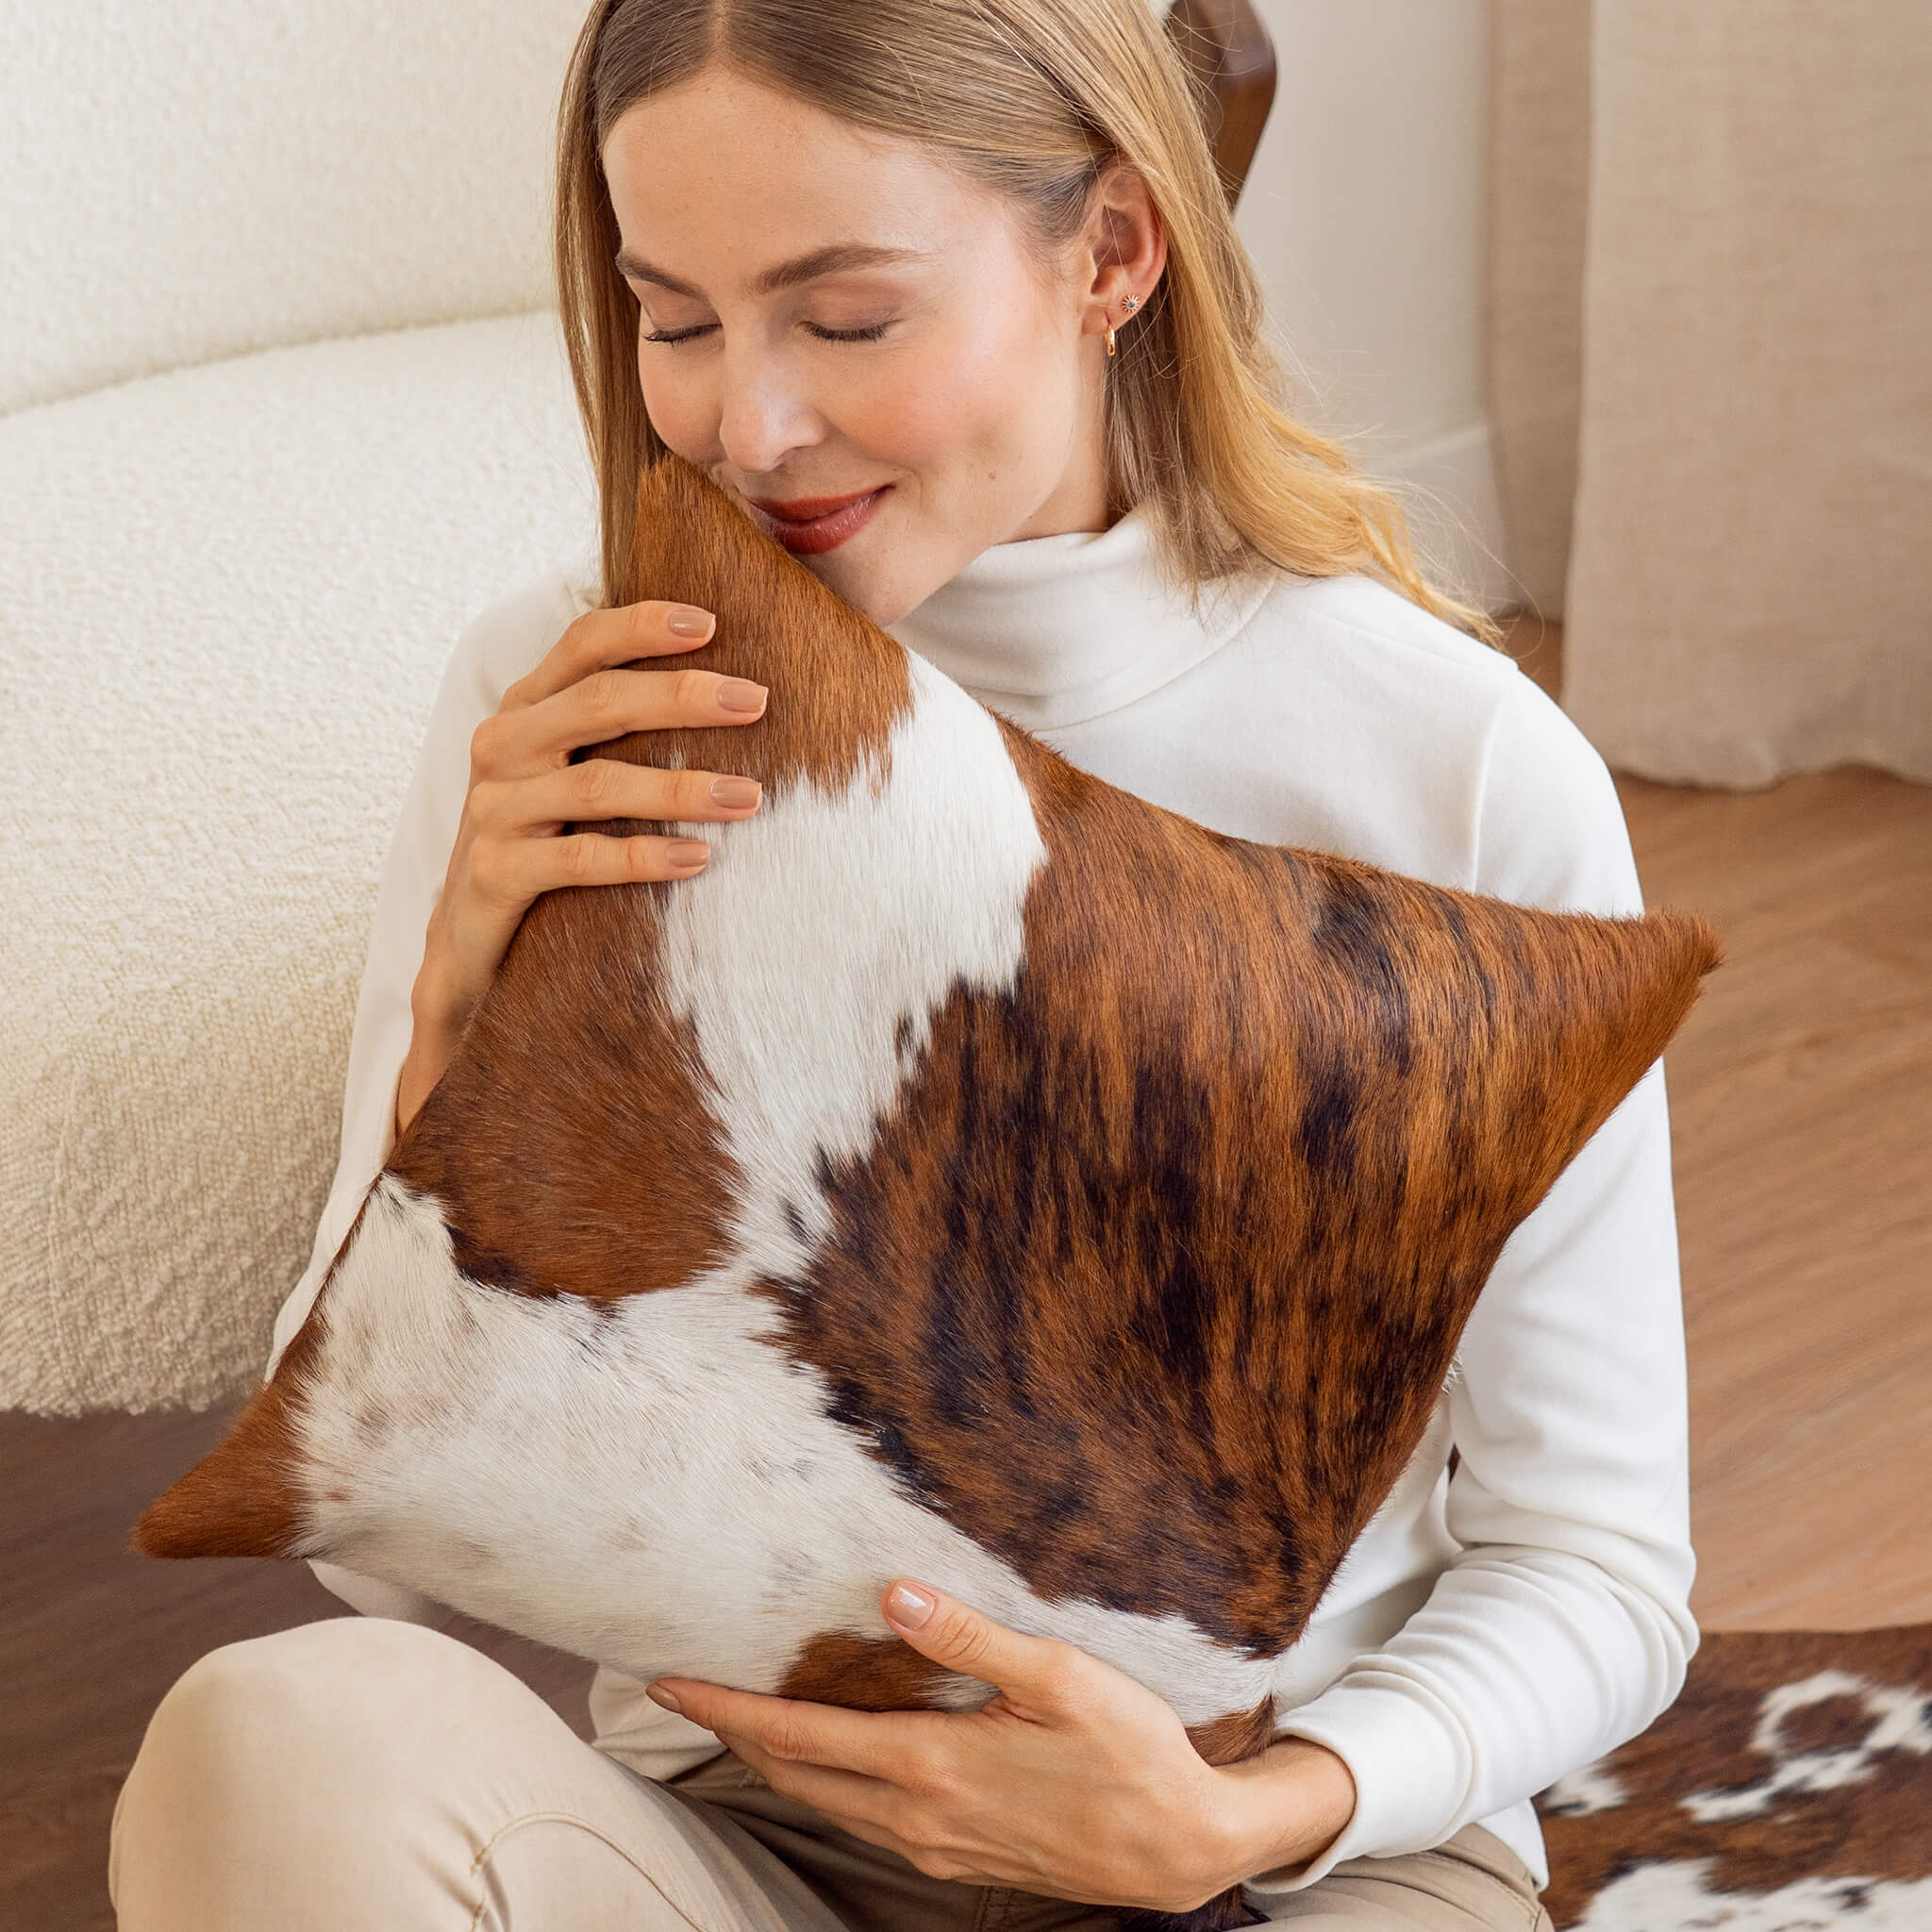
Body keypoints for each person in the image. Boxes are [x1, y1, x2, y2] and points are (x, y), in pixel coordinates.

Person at [108, 1, 1697, 1925]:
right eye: (674, 316)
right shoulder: (586, 703)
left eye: (844, 316)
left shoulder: (1446, 768)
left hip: (1283, 1868)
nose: (745, 422)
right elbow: (385, 1564)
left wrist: (1242, 1817)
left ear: (1111, 250)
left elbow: (1597, 1566)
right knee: (279, 1735)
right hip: (757, 1835)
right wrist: (468, 989)